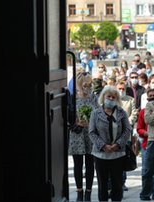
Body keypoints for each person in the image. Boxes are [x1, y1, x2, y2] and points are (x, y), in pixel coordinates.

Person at [88, 85, 131, 201]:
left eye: (113, 97)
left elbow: (127, 130)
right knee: (102, 185)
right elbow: (92, 132)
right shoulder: (95, 113)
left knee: (117, 184)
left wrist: (117, 144)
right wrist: (103, 146)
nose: (111, 99)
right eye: (109, 96)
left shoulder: (121, 113)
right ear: (103, 97)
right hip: (100, 154)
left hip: (117, 154)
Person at [68, 71, 98, 201]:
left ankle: (88, 193)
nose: (87, 88)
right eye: (85, 85)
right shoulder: (72, 97)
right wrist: (75, 123)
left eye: (89, 85)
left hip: (90, 133)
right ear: (79, 85)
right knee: (78, 164)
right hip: (77, 133)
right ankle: (79, 192)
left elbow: (98, 112)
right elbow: (67, 114)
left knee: (90, 164)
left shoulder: (93, 97)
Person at [137, 89, 154, 201]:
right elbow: (139, 129)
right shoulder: (143, 112)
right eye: (150, 96)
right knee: (146, 170)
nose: (152, 97)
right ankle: (145, 193)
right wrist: (146, 133)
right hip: (146, 145)